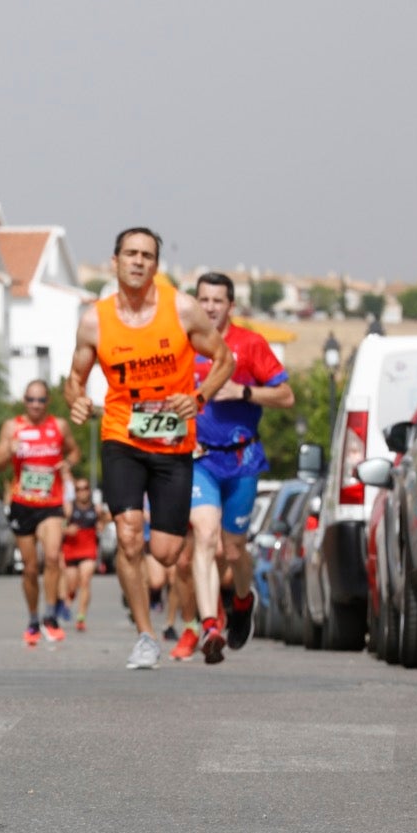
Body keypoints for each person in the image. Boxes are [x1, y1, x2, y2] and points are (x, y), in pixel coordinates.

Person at [64, 228, 233, 670]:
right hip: (121, 433)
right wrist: (76, 402)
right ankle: (145, 635)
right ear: (114, 261)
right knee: (127, 533)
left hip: (173, 440)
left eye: (147, 255)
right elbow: (74, 379)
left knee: (166, 553)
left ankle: (191, 604)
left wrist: (197, 399)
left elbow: (224, 360)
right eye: (131, 254)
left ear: (156, 265)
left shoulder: (181, 308)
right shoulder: (94, 320)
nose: (138, 261)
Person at [183, 272, 293, 661]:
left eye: (218, 300)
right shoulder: (183, 344)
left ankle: (243, 601)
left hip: (242, 460)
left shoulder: (250, 345)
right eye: (204, 300)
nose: (210, 307)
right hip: (200, 460)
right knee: (205, 537)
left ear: (231, 305)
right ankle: (210, 623)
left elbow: (286, 395)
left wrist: (243, 391)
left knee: (233, 552)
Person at [0, 381, 80, 647]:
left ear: (48, 402)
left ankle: (51, 617)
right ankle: (33, 619)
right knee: (30, 568)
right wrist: (9, 450)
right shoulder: (12, 427)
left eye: (41, 400)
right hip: (22, 503)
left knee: (52, 557)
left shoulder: (59, 426)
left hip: (51, 503)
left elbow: (74, 451)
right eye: (31, 399)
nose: (35, 405)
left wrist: (69, 462)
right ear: (24, 400)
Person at [60, 476, 109, 631]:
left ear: (89, 490)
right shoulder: (69, 508)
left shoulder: (96, 508)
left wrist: (102, 523)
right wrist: (67, 530)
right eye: (78, 489)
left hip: (88, 548)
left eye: (85, 488)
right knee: (72, 584)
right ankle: (68, 600)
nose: (82, 492)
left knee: (85, 580)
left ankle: (81, 616)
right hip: (71, 548)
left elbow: (107, 519)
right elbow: (58, 525)